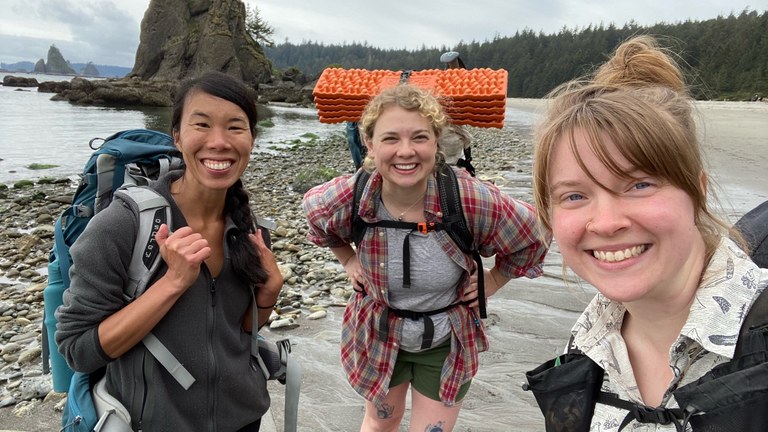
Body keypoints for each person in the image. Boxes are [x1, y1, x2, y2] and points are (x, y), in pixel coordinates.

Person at [529, 35, 768, 431]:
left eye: (639, 185)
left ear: (697, 192)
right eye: (574, 195)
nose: (605, 222)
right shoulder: (583, 348)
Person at [302, 83, 548, 431]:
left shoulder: (467, 198)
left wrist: (493, 279)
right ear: (370, 144)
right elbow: (315, 218)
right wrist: (348, 260)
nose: (406, 152)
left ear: (436, 142)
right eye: (390, 139)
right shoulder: (351, 196)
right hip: (379, 333)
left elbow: (535, 233)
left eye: (419, 137)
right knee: (378, 422)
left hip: (446, 339)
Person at [55, 71, 284, 431]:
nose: (219, 142)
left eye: (235, 127)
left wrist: (269, 293)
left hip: (244, 419)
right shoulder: (124, 224)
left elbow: (236, 333)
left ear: (252, 139)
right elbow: (78, 349)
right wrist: (172, 282)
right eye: (202, 125)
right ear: (177, 136)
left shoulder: (249, 230)